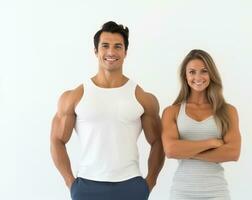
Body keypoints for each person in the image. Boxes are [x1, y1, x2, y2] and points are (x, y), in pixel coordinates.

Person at [50, 21, 165, 200]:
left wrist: (149, 183)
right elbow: (57, 140)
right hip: (87, 185)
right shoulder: (74, 96)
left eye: (118, 46)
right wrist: (70, 183)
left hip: (131, 185)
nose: (111, 52)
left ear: (125, 52)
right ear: (96, 51)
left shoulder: (143, 97)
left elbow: (158, 141)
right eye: (105, 46)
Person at [162, 49, 241, 200]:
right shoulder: (172, 112)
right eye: (192, 72)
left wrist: (185, 150)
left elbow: (233, 153)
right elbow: (171, 150)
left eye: (204, 71)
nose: (197, 77)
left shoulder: (227, 111)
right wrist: (210, 143)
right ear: (185, 76)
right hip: (182, 192)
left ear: (211, 74)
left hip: (217, 192)